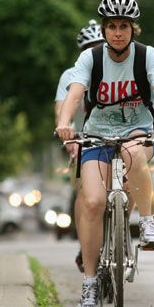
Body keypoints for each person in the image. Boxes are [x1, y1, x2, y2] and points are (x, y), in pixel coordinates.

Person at [55, 0, 154, 307]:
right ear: (104, 29)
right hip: (96, 135)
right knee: (94, 203)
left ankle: (148, 222)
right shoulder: (91, 59)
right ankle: (90, 281)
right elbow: (75, 93)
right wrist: (65, 124)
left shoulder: (147, 56)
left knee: (135, 153)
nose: (117, 32)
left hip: (138, 131)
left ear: (133, 29)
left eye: (124, 26)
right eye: (111, 26)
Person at [55, 19, 106, 273]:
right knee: (84, 191)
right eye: (89, 47)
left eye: (99, 45)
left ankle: (123, 225)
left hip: (115, 136)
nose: (95, 50)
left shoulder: (118, 67)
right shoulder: (71, 75)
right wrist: (69, 138)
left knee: (130, 179)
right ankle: (84, 240)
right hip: (85, 139)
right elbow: (62, 108)